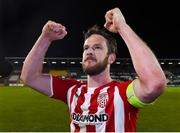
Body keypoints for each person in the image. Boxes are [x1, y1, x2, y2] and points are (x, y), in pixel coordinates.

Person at [20, 7, 166, 132]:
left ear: (111, 58)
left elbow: (155, 83)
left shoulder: (122, 93)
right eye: (86, 48)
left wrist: (122, 27)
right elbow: (29, 77)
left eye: (97, 48)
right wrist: (45, 38)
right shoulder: (72, 90)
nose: (89, 51)